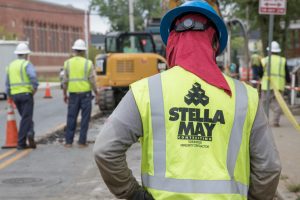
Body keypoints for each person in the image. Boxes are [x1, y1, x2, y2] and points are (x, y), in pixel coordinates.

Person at [93, 1, 281, 199]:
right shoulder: (245, 97)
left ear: (172, 42)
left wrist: (133, 194)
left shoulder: (146, 91)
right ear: (215, 44)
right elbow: (269, 168)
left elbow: (105, 150)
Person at [62, 39, 98, 148]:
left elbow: (65, 81)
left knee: (71, 118)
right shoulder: (88, 63)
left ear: (74, 50)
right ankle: (82, 142)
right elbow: (92, 80)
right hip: (86, 95)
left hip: (73, 95)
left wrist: (64, 94)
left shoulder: (67, 63)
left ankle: (68, 142)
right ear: (83, 51)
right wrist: (97, 92)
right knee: (85, 119)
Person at [5, 42, 38, 150]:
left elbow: (7, 83)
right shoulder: (26, 64)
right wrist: (34, 88)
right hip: (26, 95)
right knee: (26, 118)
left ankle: (30, 132)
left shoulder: (10, 65)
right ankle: (21, 142)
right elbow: (33, 77)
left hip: (15, 96)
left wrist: (10, 95)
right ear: (26, 54)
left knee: (25, 117)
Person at [260, 41, 290, 127]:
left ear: (269, 51)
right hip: (279, 86)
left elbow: (260, 72)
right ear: (278, 51)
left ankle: (263, 122)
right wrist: (288, 81)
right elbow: (287, 74)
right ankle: (275, 121)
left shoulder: (265, 60)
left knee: (264, 103)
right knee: (278, 104)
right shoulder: (282, 60)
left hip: (266, 86)